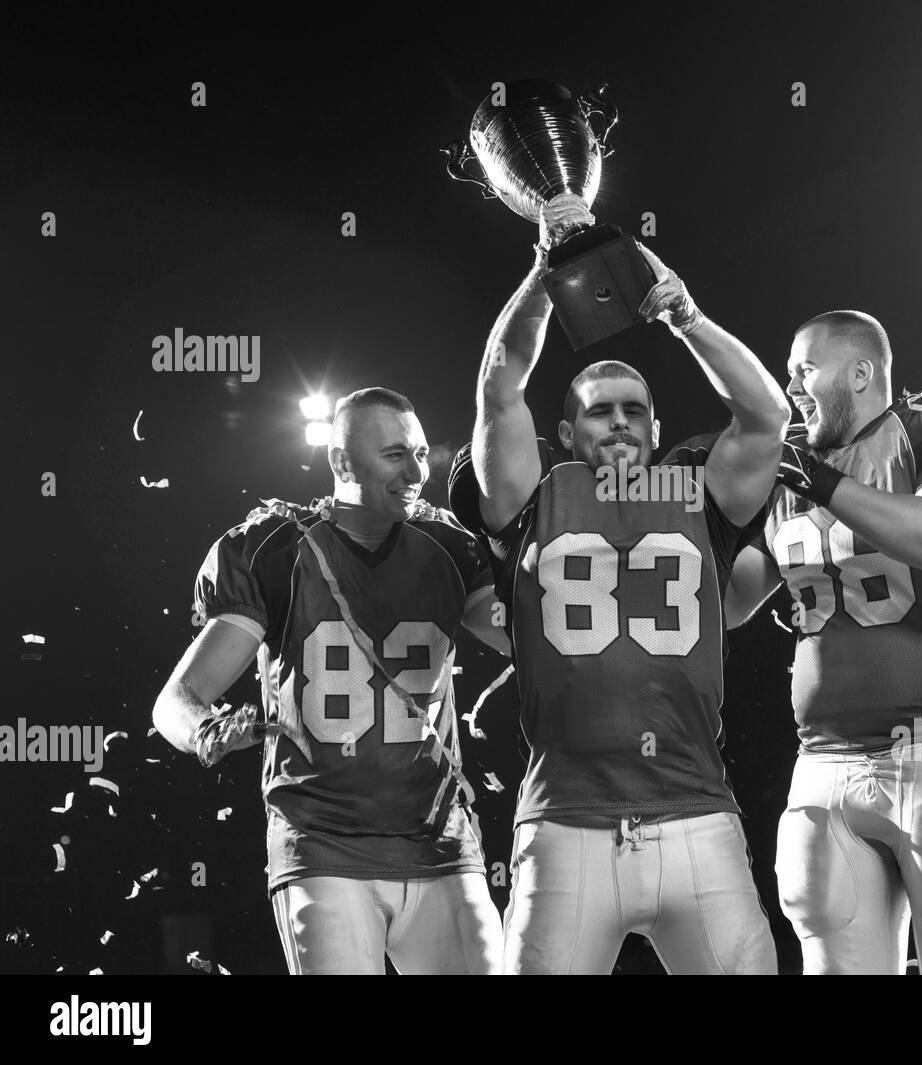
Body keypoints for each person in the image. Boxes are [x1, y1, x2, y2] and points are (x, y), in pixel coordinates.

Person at [448, 195, 788, 974]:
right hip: (566, 824)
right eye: (601, 412)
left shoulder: (697, 489)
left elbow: (766, 416)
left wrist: (688, 318)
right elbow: (501, 386)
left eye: (636, 409)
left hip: (697, 813)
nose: (622, 422)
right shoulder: (536, 496)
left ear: (659, 427)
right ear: (565, 434)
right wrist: (544, 271)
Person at [725, 310, 922, 975]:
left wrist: (825, 484)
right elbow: (727, 603)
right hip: (826, 758)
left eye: (804, 369)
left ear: (860, 371)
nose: (792, 389)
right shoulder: (793, 469)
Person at [153, 387, 510, 974]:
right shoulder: (275, 549)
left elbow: (539, 644)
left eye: (421, 454)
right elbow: (175, 701)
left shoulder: (449, 547)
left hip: (440, 842)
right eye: (395, 455)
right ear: (341, 462)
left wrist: (521, 541)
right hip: (323, 843)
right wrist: (207, 731)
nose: (417, 471)